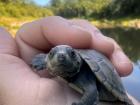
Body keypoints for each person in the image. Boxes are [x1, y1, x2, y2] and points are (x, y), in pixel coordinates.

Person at [0, 16, 139, 105]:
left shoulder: (85, 72)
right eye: (53, 53)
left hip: (116, 97)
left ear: (78, 59)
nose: (61, 56)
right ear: (48, 57)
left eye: (71, 54)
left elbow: (91, 92)